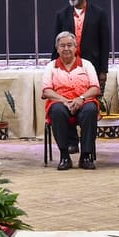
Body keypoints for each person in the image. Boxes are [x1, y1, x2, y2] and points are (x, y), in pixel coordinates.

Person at [42, 32, 101, 171]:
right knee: (56, 111)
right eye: (62, 46)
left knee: (90, 110)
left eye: (69, 45)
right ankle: (64, 156)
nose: (66, 48)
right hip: (60, 102)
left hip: (83, 101)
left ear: (76, 47)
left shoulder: (86, 65)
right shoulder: (51, 66)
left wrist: (80, 99)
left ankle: (86, 156)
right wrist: (64, 100)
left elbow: (95, 88)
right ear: (57, 49)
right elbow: (46, 91)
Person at [52, 0, 110, 90]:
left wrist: (103, 70)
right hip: (67, 65)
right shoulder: (61, 15)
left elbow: (104, 44)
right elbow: (55, 44)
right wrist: (53, 66)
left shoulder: (99, 14)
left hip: (92, 65)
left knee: (89, 101)